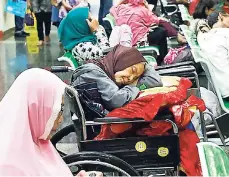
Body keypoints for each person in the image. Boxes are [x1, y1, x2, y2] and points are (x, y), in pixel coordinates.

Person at [0, 68, 102, 176]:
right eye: (58, 111)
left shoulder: (37, 145)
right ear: (36, 110)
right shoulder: (9, 166)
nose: (61, 119)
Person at [71, 44, 162, 111]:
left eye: (135, 78)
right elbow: (117, 100)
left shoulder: (107, 70)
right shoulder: (93, 72)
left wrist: (143, 64)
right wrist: (133, 87)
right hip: (100, 127)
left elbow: (155, 81)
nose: (131, 78)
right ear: (122, 61)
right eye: (132, 70)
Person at [110, 0, 185, 65]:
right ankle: (163, 59)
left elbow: (112, 9)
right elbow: (155, 20)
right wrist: (147, 8)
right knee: (162, 30)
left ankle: (177, 36)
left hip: (125, 40)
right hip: (137, 42)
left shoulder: (121, 9)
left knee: (160, 30)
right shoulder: (142, 10)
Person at [58, 7, 132, 62]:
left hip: (108, 63)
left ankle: (129, 54)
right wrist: (98, 30)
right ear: (80, 25)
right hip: (108, 68)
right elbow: (107, 55)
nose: (94, 21)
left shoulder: (85, 40)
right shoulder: (82, 47)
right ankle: (129, 55)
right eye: (90, 20)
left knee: (121, 28)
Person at [195, 11, 229, 99]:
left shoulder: (204, 37)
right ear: (220, 17)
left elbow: (200, 25)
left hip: (220, 89)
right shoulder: (225, 34)